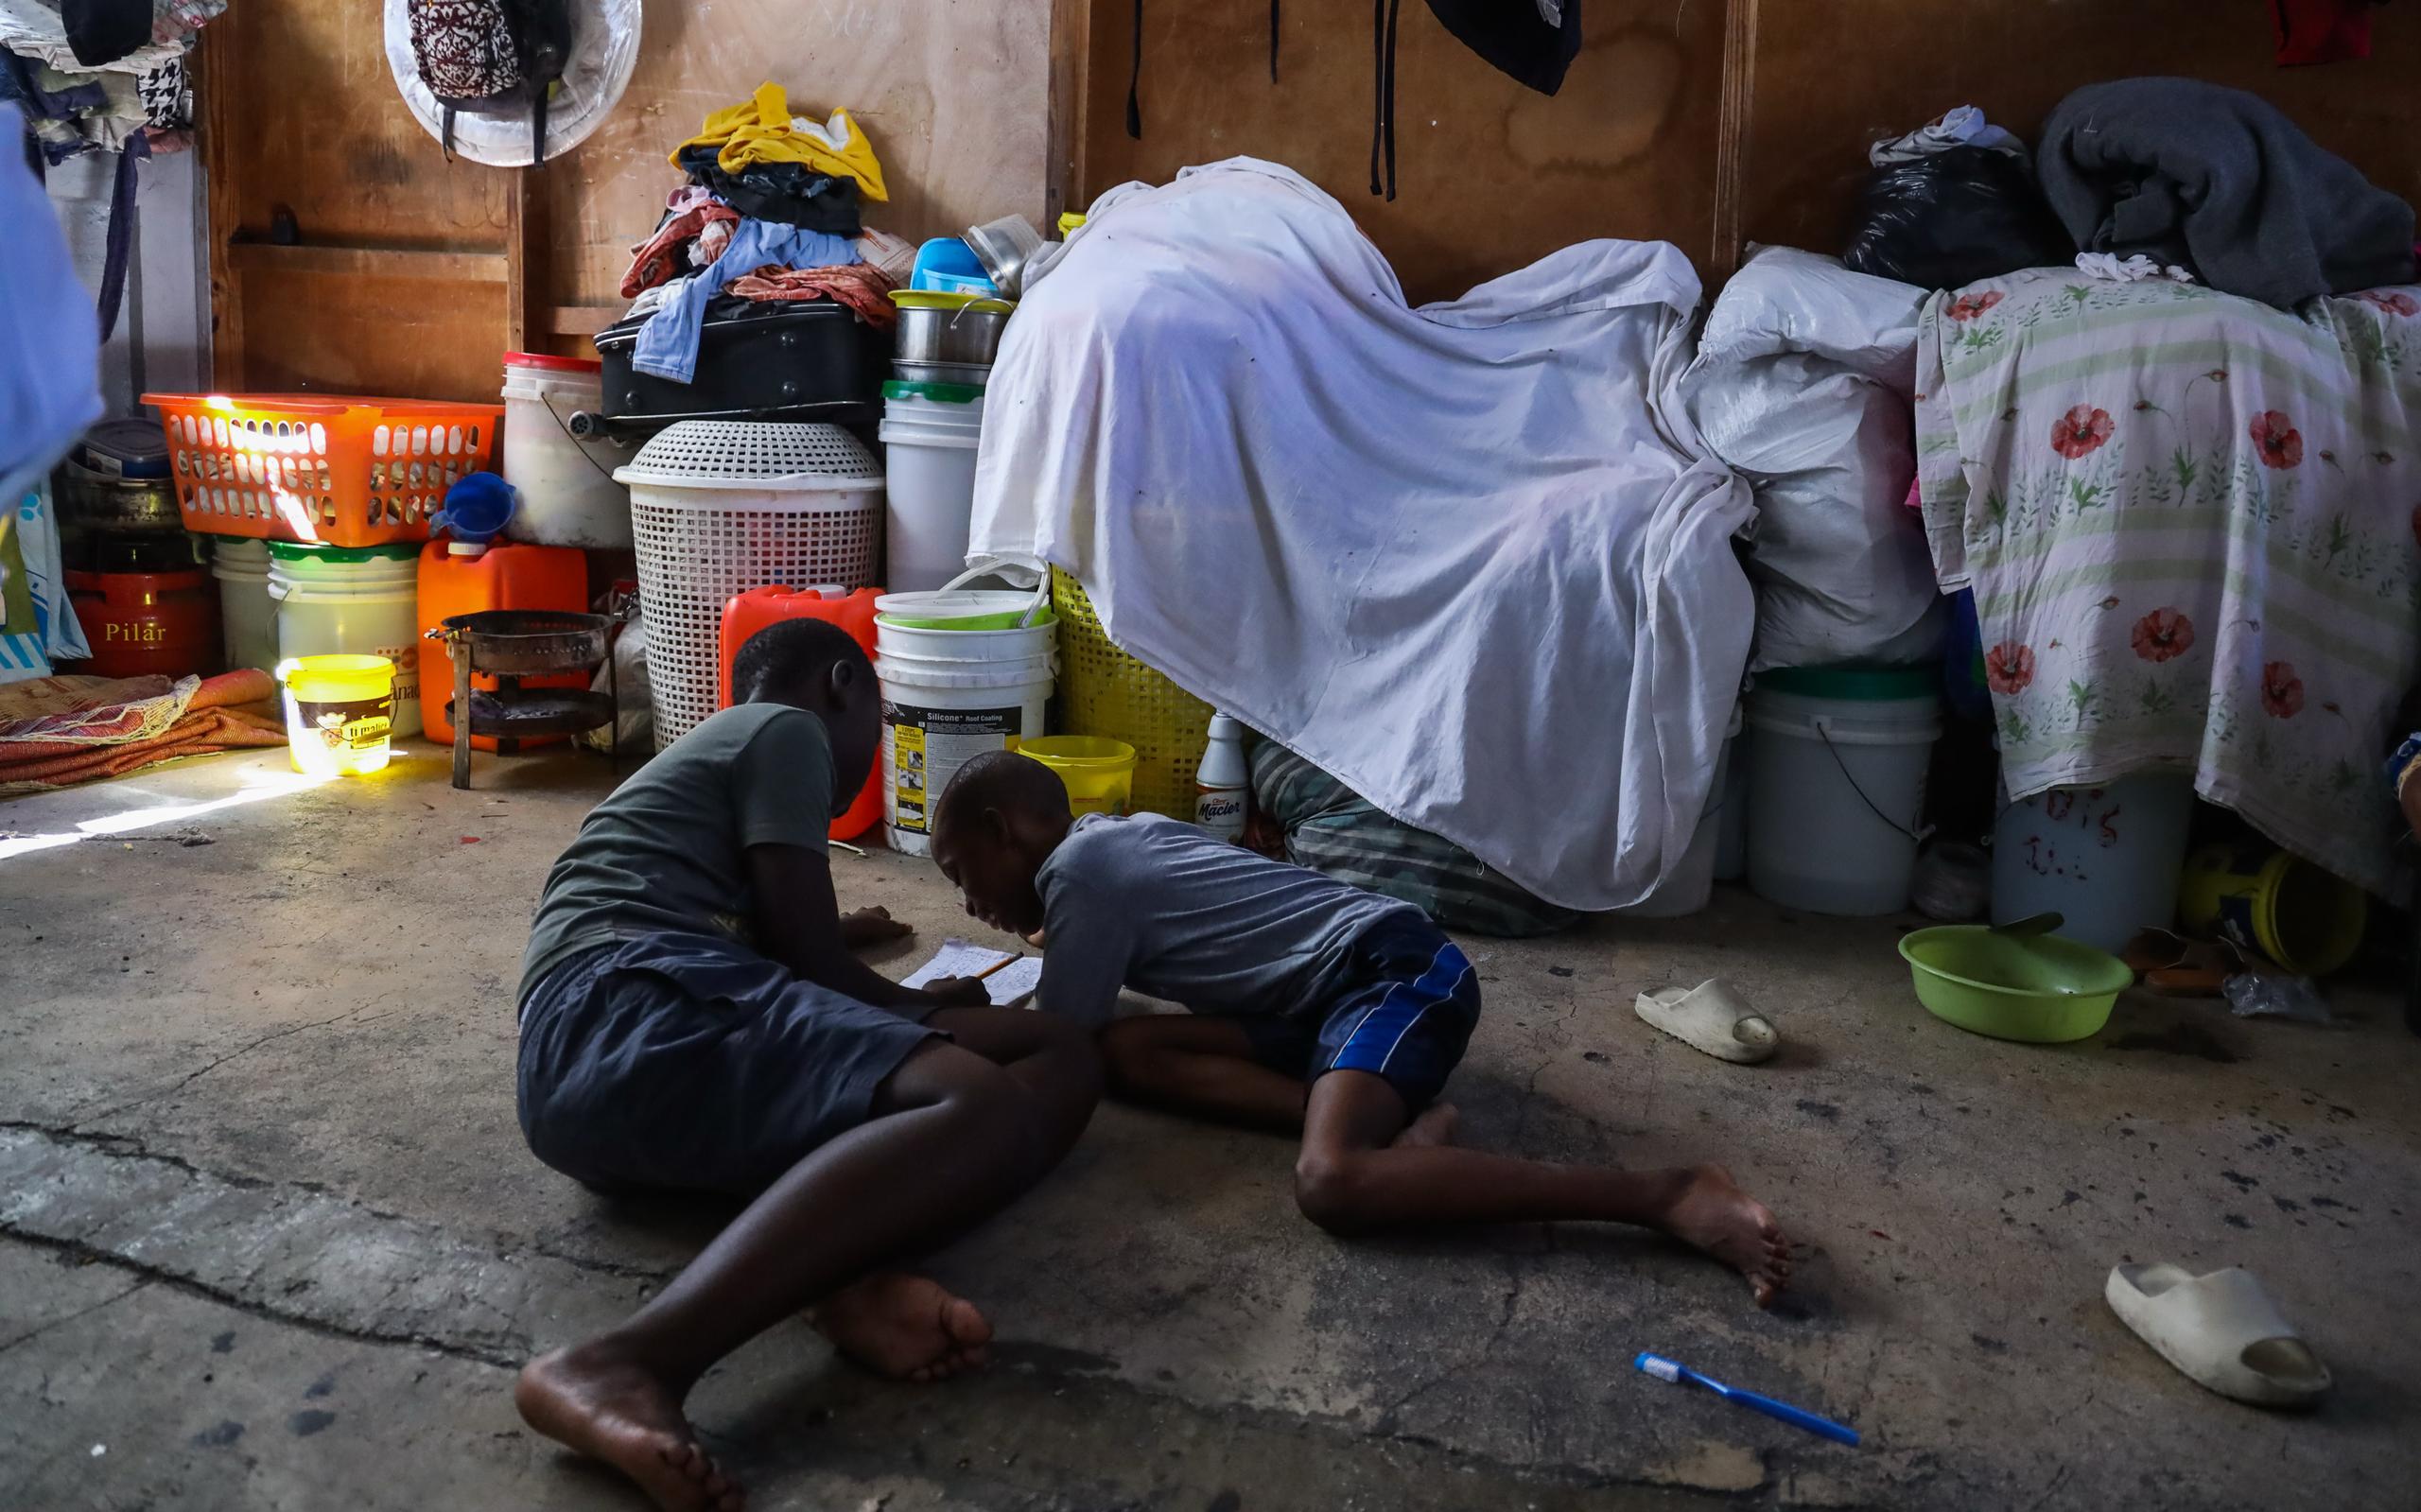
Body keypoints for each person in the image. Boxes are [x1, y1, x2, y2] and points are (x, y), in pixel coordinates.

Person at [511, 620, 1102, 1512]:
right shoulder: (784, 728)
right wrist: (924, 1010)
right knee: (974, 1100)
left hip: (611, 1067)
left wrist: (840, 937)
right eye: (880, 709)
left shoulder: (714, 763)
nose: (875, 744)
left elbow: (774, 929)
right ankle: (626, 1361)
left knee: (1059, 1053)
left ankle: (844, 1273)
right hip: (629, 1003)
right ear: (840, 685)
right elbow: (808, 959)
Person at [930, 751, 1791, 1306]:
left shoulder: (1083, 876)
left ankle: (1664, 1193)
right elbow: (1088, 1008)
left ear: (1003, 832)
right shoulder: (1104, 848)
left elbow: (1056, 1039)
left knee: (1331, 1181)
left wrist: (948, 1022)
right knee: (1130, 1050)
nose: (967, 901)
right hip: (1320, 999)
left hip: (1396, 970)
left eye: (961, 874)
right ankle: (1399, 1134)